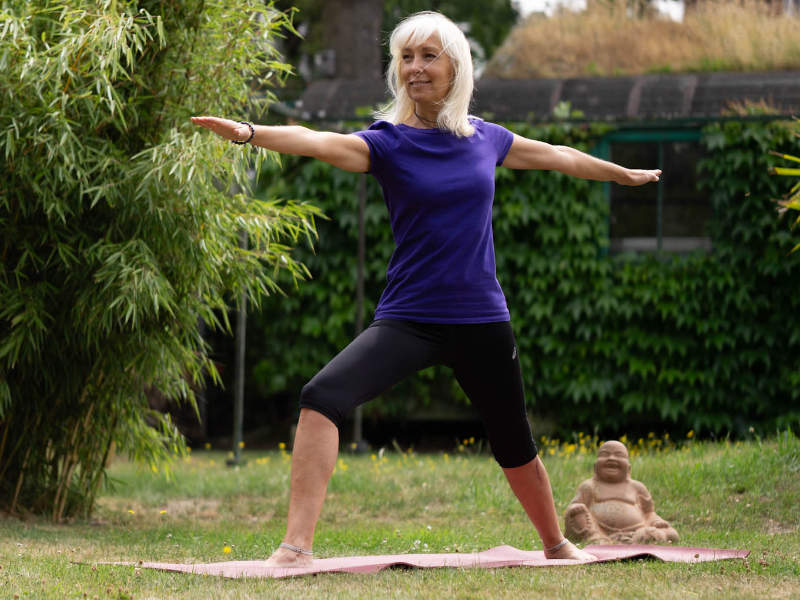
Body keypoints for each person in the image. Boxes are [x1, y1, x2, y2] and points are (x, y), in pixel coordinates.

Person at [192, 11, 660, 567]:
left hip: (482, 318)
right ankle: (295, 549)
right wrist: (249, 133)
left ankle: (556, 544)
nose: (415, 68)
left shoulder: (487, 139)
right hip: (409, 318)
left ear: (455, 66)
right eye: (406, 58)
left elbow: (558, 156)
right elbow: (317, 141)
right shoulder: (386, 144)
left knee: (513, 438)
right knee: (322, 397)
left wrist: (622, 174)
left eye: (428, 56)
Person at [564, 440, 679, 544]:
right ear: (595, 467)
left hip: (637, 531)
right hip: (597, 531)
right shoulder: (589, 486)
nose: (612, 458)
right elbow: (576, 510)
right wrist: (575, 510)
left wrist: (656, 521)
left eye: (619, 455)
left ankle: (645, 537)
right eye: (605, 454)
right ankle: (595, 538)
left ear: (628, 468)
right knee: (576, 511)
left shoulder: (637, 487)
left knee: (672, 534)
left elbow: (648, 513)